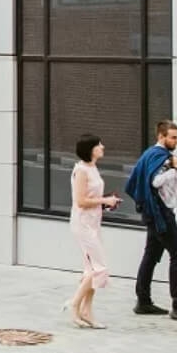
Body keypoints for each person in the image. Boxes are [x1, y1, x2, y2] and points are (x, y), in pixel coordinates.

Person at [125, 120, 177, 322]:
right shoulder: (160, 157)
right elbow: (156, 182)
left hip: (153, 213)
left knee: (151, 255)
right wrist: (174, 168)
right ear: (161, 136)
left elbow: (174, 185)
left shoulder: (152, 155)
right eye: (173, 137)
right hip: (160, 213)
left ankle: (143, 301)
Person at [65, 134, 121, 329]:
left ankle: (86, 311)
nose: (102, 147)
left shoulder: (92, 168)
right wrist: (105, 200)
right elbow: (80, 201)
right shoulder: (81, 170)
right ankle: (75, 304)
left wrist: (106, 202)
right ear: (90, 149)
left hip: (93, 223)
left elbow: (91, 197)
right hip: (83, 225)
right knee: (100, 268)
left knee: (91, 270)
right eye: (98, 145)